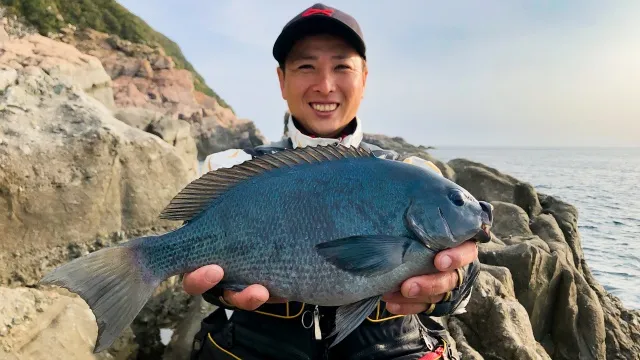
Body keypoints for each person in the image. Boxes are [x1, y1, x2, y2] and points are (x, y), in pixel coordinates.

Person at [186, 3, 480, 359]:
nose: (325, 86)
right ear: (282, 80)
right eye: (306, 66)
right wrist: (217, 288)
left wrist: (455, 282)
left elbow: (462, 277)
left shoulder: (417, 173)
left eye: (342, 66)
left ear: (364, 77)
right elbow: (198, 253)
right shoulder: (232, 168)